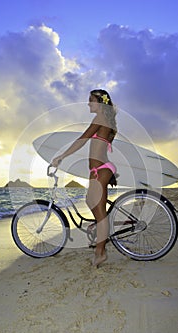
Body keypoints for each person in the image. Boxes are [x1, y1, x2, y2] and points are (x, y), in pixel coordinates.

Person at [52, 89, 117, 267]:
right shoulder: (108, 121)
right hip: (101, 169)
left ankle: (100, 253)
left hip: (100, 170)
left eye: (91, 100)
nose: (88, 103)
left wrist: (61, 156)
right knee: (92, 205)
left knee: (100, 215)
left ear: (101, 103)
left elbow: (82, 140)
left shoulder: (100, 119)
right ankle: (100, 235)